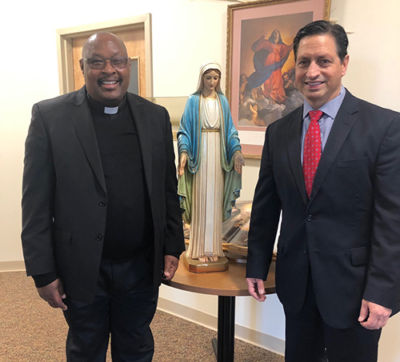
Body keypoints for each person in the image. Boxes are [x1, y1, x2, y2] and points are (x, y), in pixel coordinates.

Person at [21, 32, 185, 361]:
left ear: (128, 67)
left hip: (139, 265)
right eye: (97, 62)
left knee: (136, 347)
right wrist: (42, 270)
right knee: (86, 348)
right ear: (83, 67)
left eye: (118, 61)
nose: (109, 70)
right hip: (80, 267)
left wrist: (172, 244)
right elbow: (35, 203)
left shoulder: (155, 118)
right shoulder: (50, 117)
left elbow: (167, 189)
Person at [246, 20, 400, 362]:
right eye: (303, 62)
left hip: (356, 289)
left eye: (324, 61)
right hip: (297, 284)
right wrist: (256, 264)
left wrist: (383, 291)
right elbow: (267, 206)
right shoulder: (279, 132)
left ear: (344, 64)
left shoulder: (385, 127)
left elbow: (393, 219)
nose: (312, 71)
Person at [177, 62, 244, 264]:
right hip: (200, 157)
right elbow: (185, 130)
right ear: (202, 79)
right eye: (208, 78)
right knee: (201, 200)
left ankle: (214, 248)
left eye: (216, 78)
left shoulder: (222, 101)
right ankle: (197, 249)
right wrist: (184, 153)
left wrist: (236, 152)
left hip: (217, 157)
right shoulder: (193, 101)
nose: (212, 82)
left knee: (214, 200)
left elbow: (231, 131)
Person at [246, 29, 293, 103]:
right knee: (268, 79)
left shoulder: (281, 46)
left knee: (277, 80)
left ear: (279, 36)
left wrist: (292, 45)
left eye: (276, 33)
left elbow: (287, 49)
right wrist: (260, 39)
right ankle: (269, 95)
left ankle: (277, 96)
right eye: (274, 33)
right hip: (268, 63)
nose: (275, 35)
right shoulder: (267, 43)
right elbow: (255, 48)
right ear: (272, 35)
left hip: (276, 64)